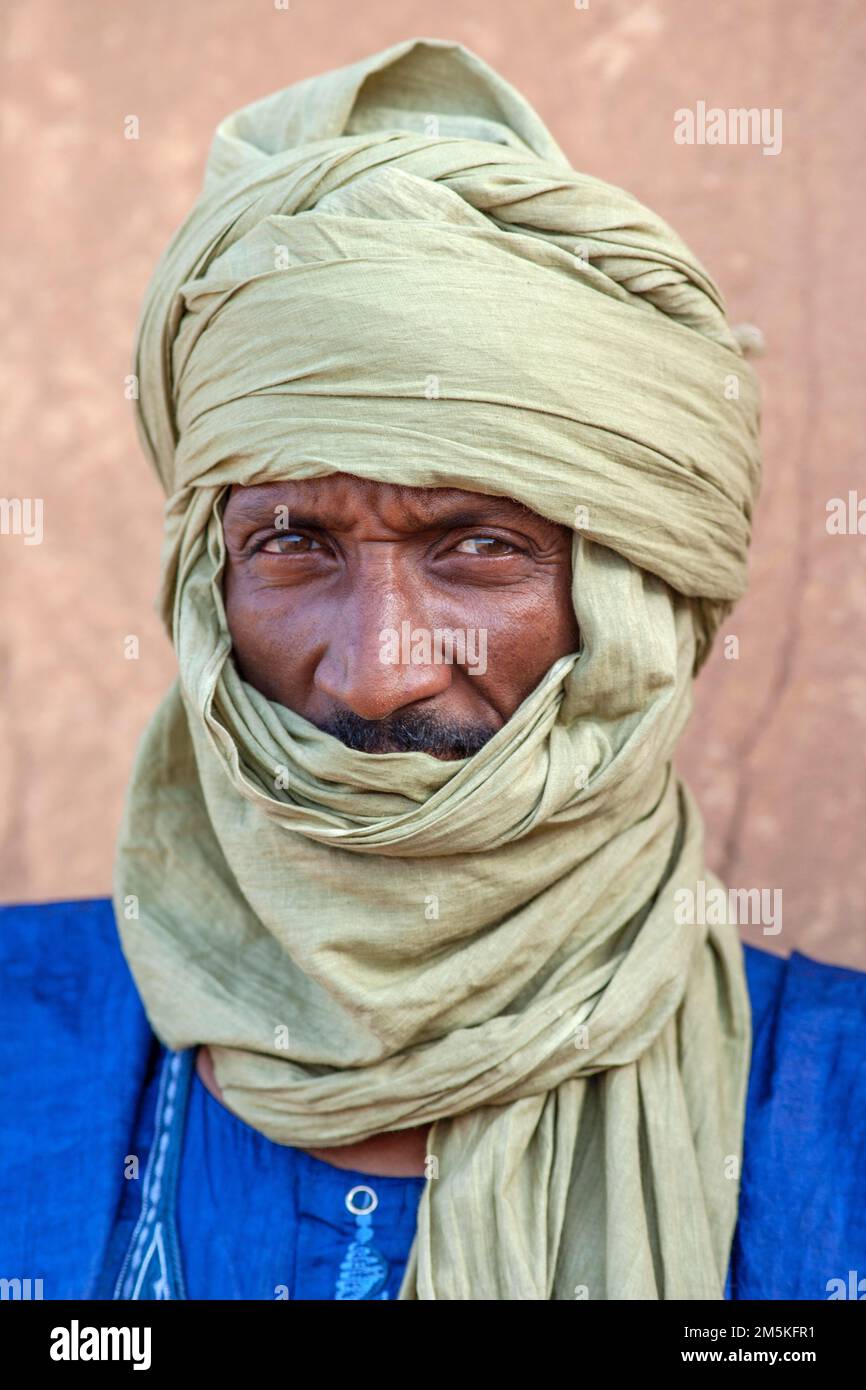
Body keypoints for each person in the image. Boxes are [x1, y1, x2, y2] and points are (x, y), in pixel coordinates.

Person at [1, 36, 864, 1303]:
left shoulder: (832, 1102)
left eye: (480, 548)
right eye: (292, 543)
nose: (375, 675)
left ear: (634, 604)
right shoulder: (24, 1038)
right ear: (205, 583)